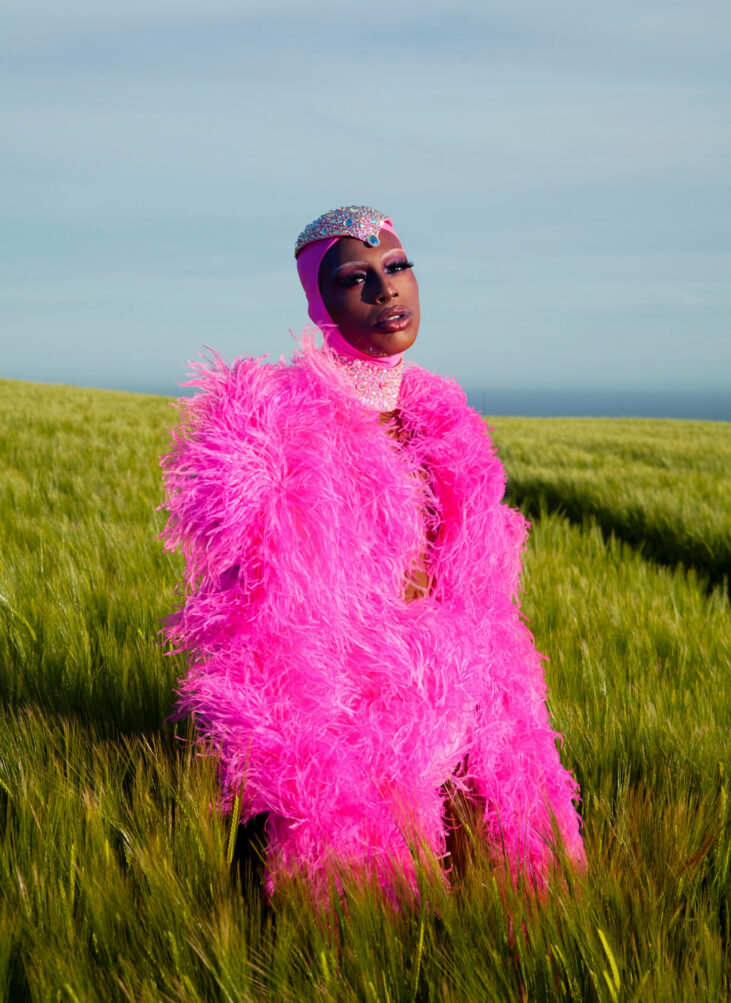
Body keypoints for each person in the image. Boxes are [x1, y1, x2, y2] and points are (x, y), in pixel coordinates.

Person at [161, 205, 585, 897]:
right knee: (379, 916)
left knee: (516, 908)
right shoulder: (271, 430)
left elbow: (480, 593)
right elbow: (257, 617)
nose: (384, 290)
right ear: (316, 302)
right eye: (354, 279)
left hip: (478, 707)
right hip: (352, 726)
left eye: (396, 268)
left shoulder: (448, 424)